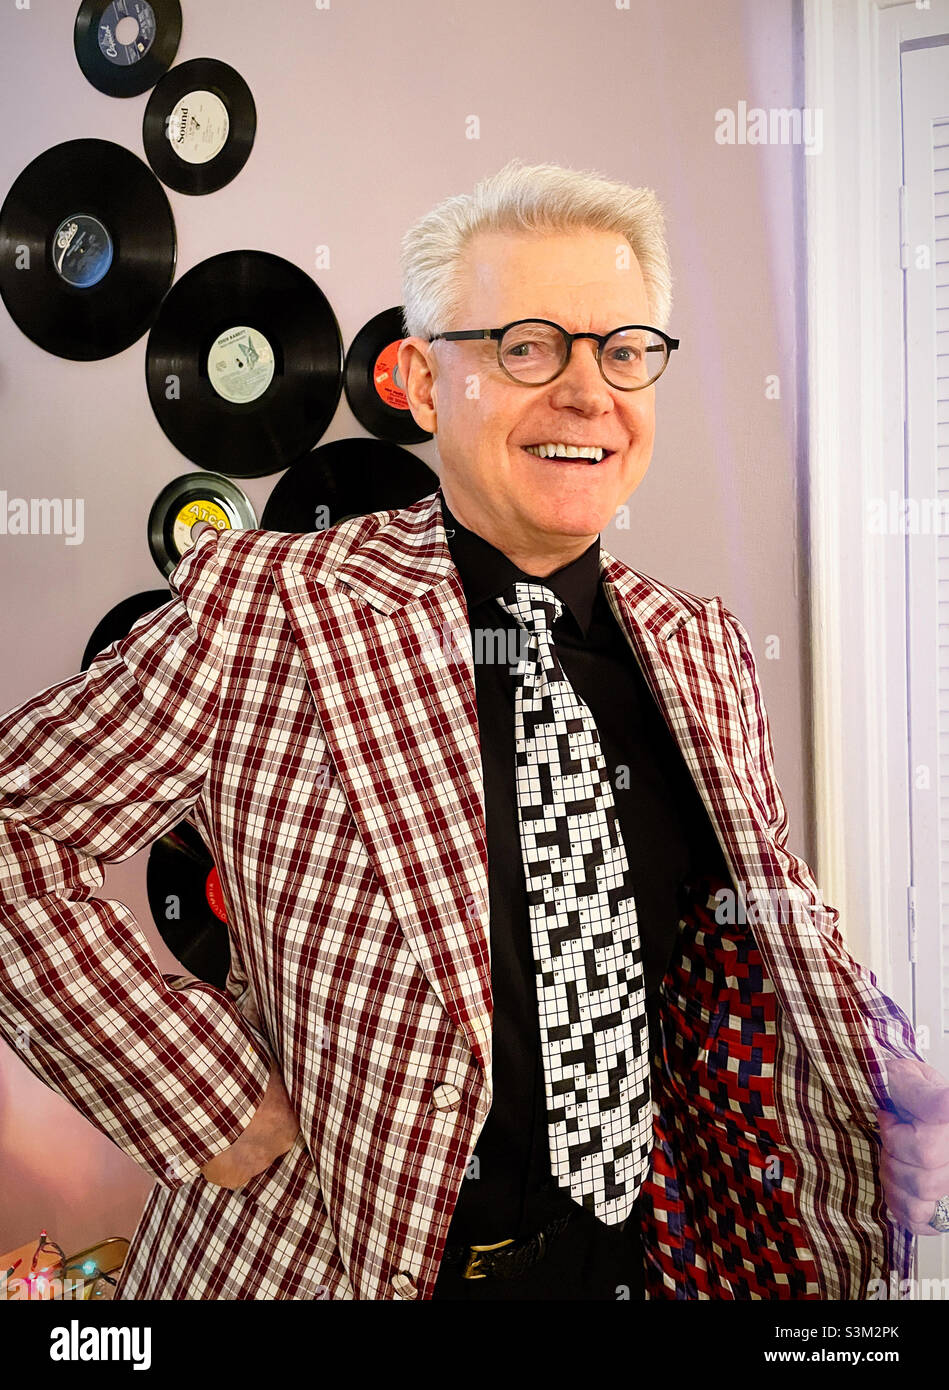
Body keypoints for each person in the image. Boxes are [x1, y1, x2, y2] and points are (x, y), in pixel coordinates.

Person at [0, 159, 944, 1302]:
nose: (590, 393)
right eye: (525, 345)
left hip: (626, 1268)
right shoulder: (274, 606)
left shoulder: (702, 648)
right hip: (326, 1269)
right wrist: (196, 1089)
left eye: (625, 347)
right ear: (420, 378)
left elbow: (755, 933)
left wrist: (874, 1086)